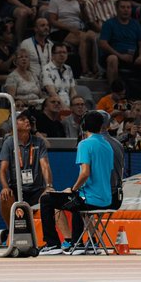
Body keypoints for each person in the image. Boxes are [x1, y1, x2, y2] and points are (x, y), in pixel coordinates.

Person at [38, 109, 114, 254]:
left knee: (47, 199)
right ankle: (83, 243)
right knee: (74, 200)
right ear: (101, 127)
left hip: (89, 199)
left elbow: (85, 173)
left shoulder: (84, 144)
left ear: (83, 126)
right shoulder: (107, 146)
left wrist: (73, 189)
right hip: (106, 199)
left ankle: (53, 243)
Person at [0, 110, 54, 227]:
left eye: (27, 119)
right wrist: (5, 187)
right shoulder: (9, 143)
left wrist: (49, 186)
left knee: (49, 196)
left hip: (36, 189)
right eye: (22, 119)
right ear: (14, 123)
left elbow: (45, 166)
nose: (27, 121)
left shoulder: (39, 142)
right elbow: (3, 169)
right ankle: (11, 232)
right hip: (17, 189)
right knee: (5, 196)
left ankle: (58, 239)